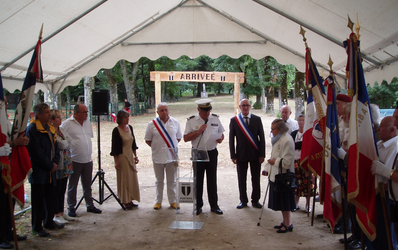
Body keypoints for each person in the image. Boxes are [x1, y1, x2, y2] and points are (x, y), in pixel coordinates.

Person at [26, 103, 63, 237]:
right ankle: (37, 226)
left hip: (51, 170)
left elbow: (56, 147)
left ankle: (49, 221)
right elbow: (36, 153)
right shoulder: (32, 129)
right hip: (39, 171)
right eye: (46, 112)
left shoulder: (50, 128)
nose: (49, 115)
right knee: (38, 200)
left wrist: (55, 162)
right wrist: (49, 164)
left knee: (50, 198)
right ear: (39, 114)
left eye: (49, 112)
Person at [184, 99, 224, 215]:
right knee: (198, 180)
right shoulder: (191, 121)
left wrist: (221, 139)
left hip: (211, 152)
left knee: (212, 180)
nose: (207, 113)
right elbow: (186, 138)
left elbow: (221, 133)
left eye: (209, 110)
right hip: (198, 152)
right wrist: (198, 131)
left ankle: (214, 205)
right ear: (198, 110)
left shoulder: (215, 118)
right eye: (204, 111)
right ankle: (198, 205)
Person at [61, 104, 102, 217]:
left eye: (87, 112)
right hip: (74, 159)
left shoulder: (87, 123)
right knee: (73, 185)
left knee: (87, 184)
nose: (86, 114)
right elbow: (61, 139)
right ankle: (71, 207)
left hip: (87, 159)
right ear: (76, 113)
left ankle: (90, 205)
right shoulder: (67, 124)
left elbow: (88, 138)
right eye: (84, 112)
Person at [144, 102, 182, 210]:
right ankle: (158, 201)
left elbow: (178, 138)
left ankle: (173, 201)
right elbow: (148, 140)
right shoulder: (151, 124)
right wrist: (158, 147)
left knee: (172, 180)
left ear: (168, 110)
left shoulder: (175, 122)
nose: (164, 112)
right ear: (157, 112)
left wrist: (170, 148)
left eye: (166, 110)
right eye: (162, 110)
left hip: (172, 157)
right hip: (158, 157)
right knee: (159, 181)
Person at [229, 99, 265, 209]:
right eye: (243, 105)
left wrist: (262, 154)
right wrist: (233, 155)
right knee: (241, 178)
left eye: (247, 105)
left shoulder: (257, 119)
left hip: (255, 153)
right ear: (240, 106)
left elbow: (262, 138)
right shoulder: (235, 120)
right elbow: (231, 139)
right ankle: (243, 201)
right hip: (241, 154)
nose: (245, 107)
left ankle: (255, 200)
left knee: (256, 178)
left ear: (250, 107)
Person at [369, 116, 398, 250]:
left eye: (382, 126)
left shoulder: (395, 146)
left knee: (387, 234)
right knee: (376, 228)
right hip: (376, 191)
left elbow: (388, 175)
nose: (378, 129)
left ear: (392, 130)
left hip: (387, 194)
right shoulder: (380, 144)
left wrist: (386, 171)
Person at [262, 119, 295, 233]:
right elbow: (274, 154)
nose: (271, 131)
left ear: (280, 129)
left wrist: (274, 162)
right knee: (281, 201)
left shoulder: (287, 140)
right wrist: (267, 168)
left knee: (285, 201)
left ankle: (288, 223)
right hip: (276, 175)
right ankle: (284, 221)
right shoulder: (278, 139)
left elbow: (287, 162)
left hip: (283, 177)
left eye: (273, 129)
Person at [110, 110, 140, 209]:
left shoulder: (130, 128)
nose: (128, 119)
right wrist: (116, 161)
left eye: (128, 117)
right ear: (120, 119)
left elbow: (133, 144)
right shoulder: (116, 130)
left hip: (130, 156)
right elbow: (114, 148)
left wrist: (135, 156)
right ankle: (124, 200)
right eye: (125, 117)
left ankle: (130, 199)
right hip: (122, 157)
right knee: (124, 179)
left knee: (131, 178)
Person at [50, 110, 75, 224]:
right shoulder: (51, 131)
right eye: (58, 118)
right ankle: (56, 213)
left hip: (66, 163)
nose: (61, 119)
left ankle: (61, 211)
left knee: (63, 189)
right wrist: (65, 143)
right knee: (57, 190)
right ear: (52, 120)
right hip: (58, 164)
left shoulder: (62, 130)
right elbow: (62, 144)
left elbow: (70, 142)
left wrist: (66, 143)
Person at [291, 114, 313, 212]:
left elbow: (308, 146)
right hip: (295, 161)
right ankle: (296, 203)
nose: (301, 122)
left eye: (303, 120)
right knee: (296, 182)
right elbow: (292, 145)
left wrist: (299, 145)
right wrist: (300, 145)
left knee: (308, 182)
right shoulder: (294, 133)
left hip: (306, 162)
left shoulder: (309, 133)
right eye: (299, 120)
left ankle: (308, 204)